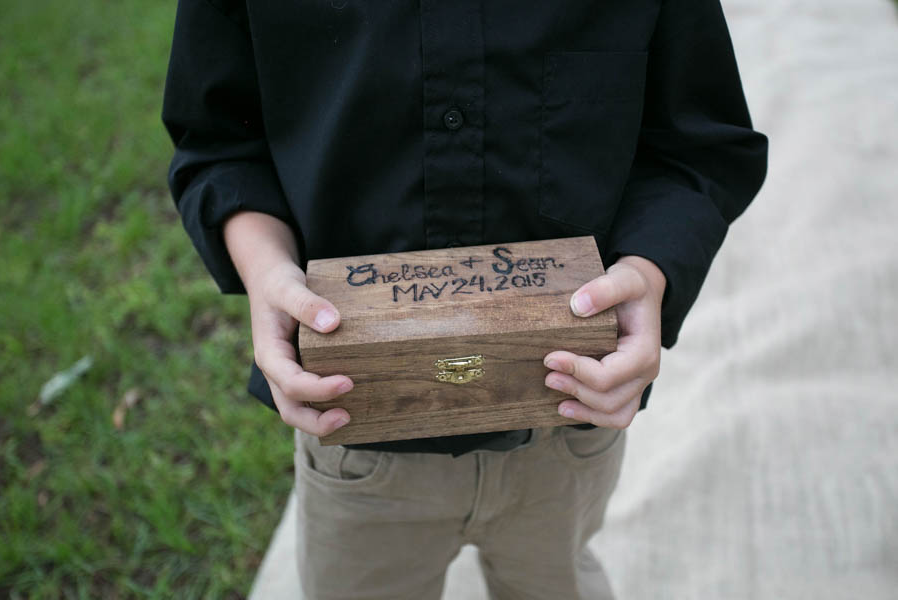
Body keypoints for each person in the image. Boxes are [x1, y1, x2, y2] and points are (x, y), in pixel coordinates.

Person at [162, 0, 767, 597]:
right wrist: (267, 272)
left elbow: (698, 143)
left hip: (567, 418)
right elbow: (219, 140)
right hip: (358, 433)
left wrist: (649, 269)